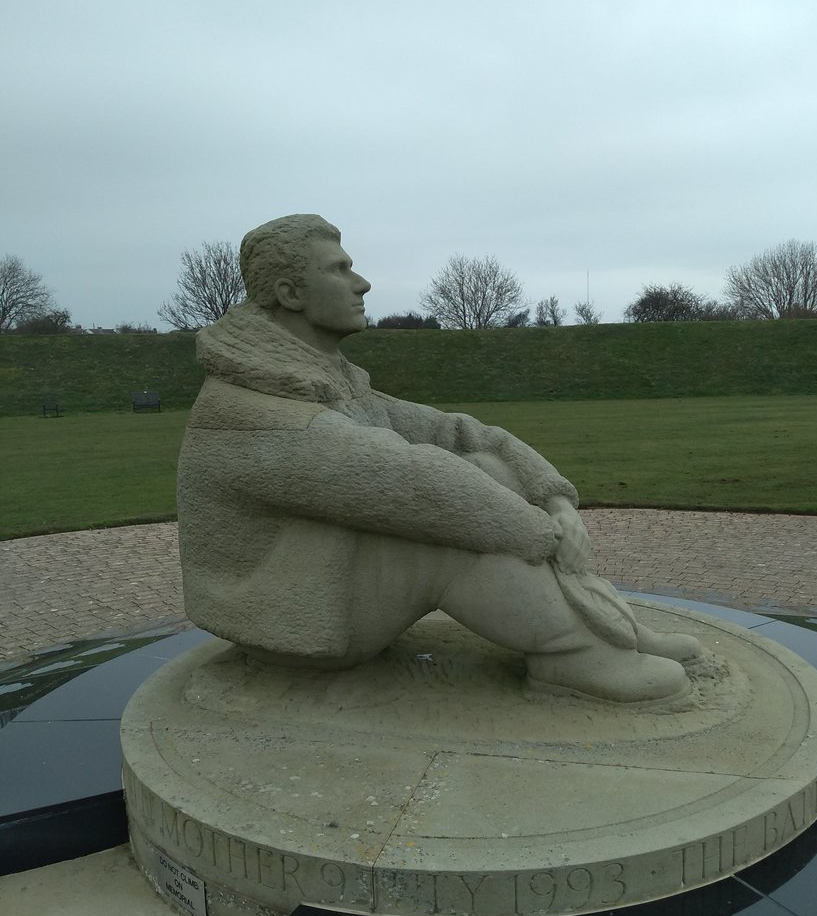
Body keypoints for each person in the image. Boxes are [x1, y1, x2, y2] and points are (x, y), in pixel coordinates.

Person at [177, 214, 699, 702]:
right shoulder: (248, 409)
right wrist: (546, 532)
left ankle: (611, 630)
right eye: (340, 270)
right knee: (449, 521)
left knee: (486, 471)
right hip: (278, 614)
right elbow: (411, 482)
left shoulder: (325, 380)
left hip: (317, 588)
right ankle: (575, 653)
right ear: (291, 294)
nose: (362, 284)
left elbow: (456, 433)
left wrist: (553, 498)